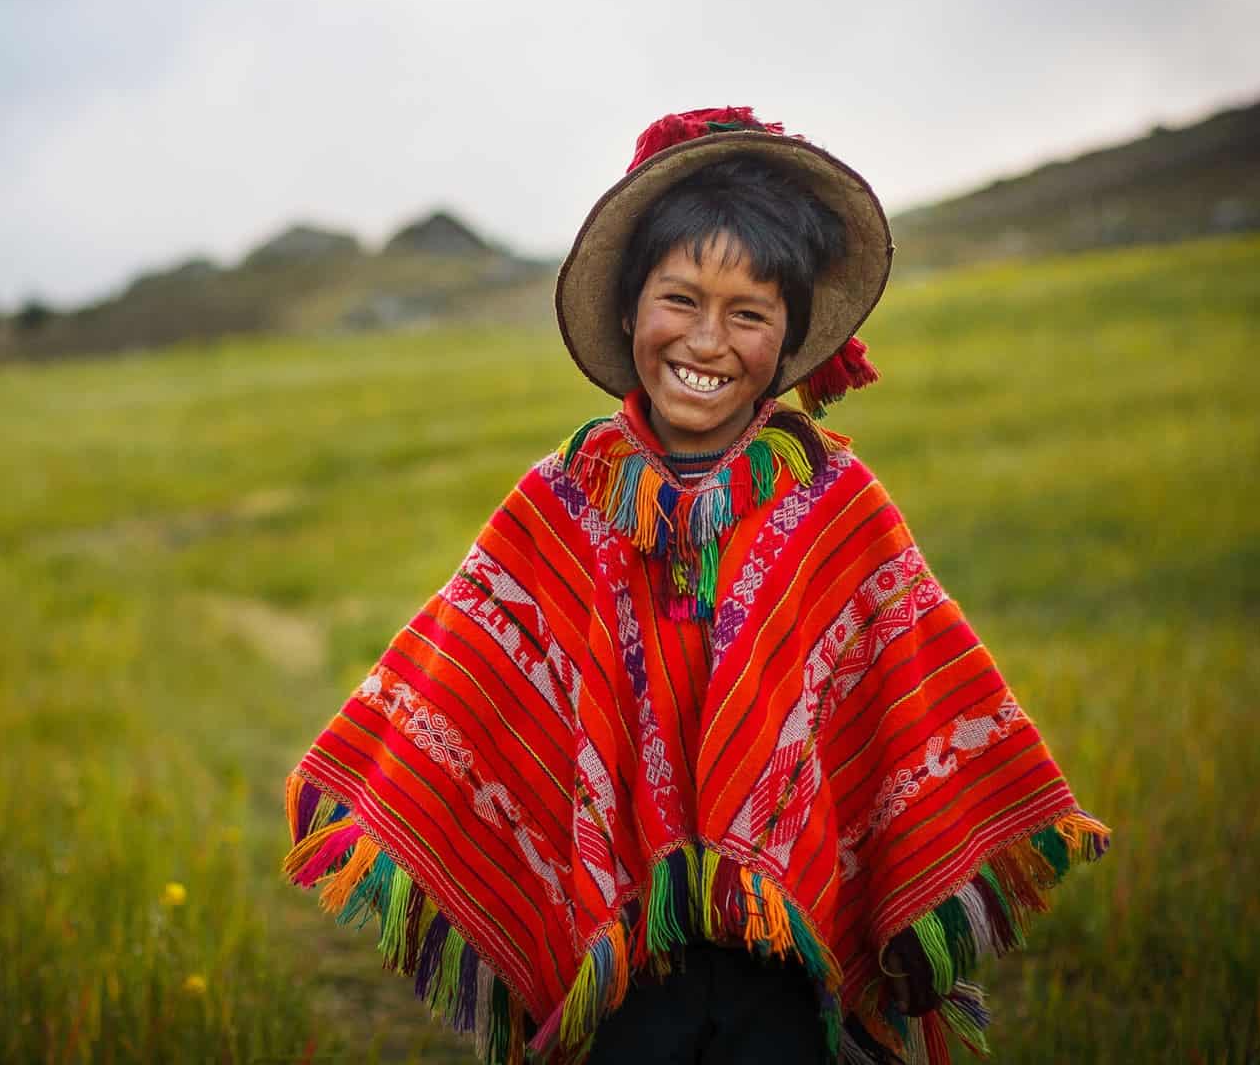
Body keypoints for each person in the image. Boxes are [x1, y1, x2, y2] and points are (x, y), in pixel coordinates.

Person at [281, 108, 1109, 1065]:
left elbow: (908, 694)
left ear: (791, 338)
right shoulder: (562, 502)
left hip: (788, 967)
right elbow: (466, 683)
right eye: (681, 299)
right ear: (631, 308)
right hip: (618, 966)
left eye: (749, 313)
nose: (708, 342)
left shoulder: (834, 505)